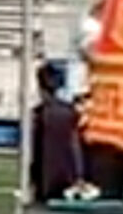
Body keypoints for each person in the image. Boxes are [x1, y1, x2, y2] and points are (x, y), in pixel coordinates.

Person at [30, 64, 84, 202]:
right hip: (66, 176)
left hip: (46, 178)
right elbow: (75, 145)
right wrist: (78, 174)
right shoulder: (69, 111)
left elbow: (34, 149)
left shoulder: (40, 113)